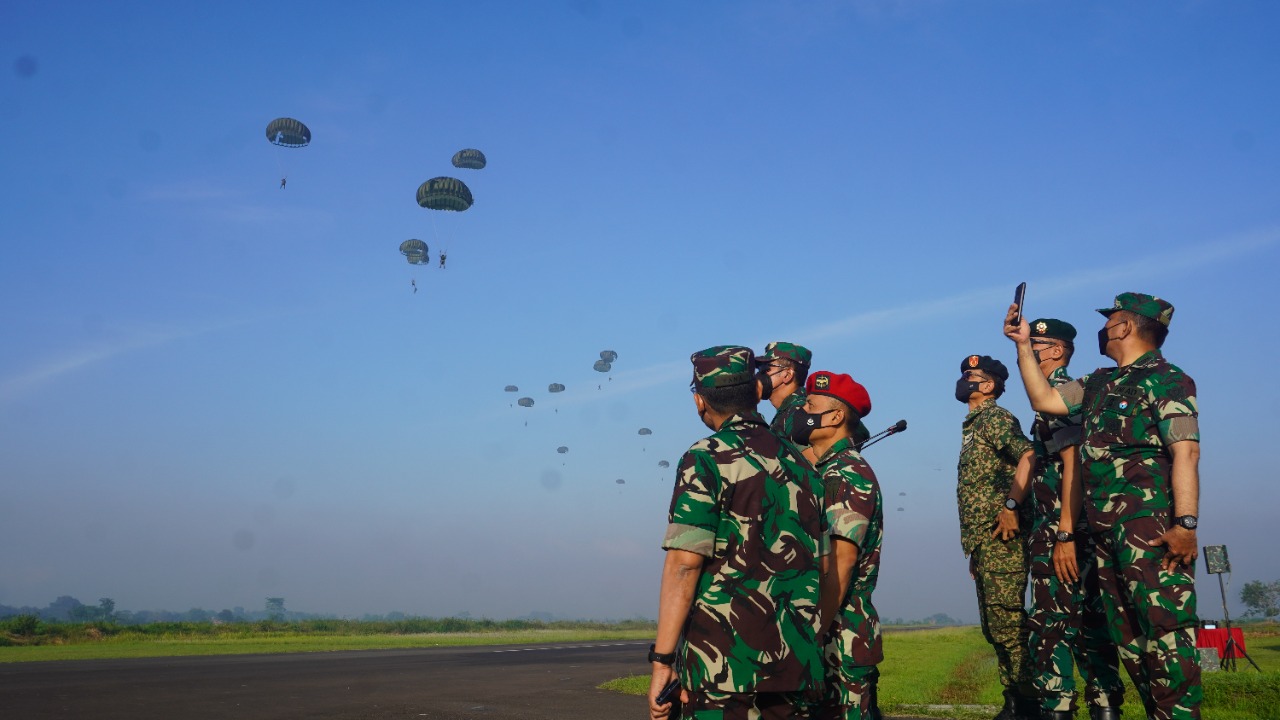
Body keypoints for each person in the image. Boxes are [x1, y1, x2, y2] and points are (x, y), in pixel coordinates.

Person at [1005, 293, 1201, 720]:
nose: (1104, 328)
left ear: (1125, 327)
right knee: (1128, 638)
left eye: (1110, 320)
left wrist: (1186, 523)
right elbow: (1045, 400)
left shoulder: (1169, 380)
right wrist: (1022, 346)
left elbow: (1185, 451)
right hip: (1102, 533)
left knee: (1165, 632)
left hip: (1149, 529)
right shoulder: (1097, 383)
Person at [649, 345, 826, 720]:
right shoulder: (804, 464)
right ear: (756, 391)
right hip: (797, 667)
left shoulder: (705, 458)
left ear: (700, 401)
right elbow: (822, 566)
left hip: (722, 669)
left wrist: (662, 659)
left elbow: (684, 564)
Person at [1020, 319, 1124, 720]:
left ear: (1057, 350)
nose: (1030, 350)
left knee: (1053, 624)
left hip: (1061, 529)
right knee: (1090, 622)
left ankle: (1059, 706)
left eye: (1037, 343)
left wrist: (1063, 533)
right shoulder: (1059, 393)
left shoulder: (1062, 394)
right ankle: (1105, 704)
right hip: (1074, 527)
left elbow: (1072, 463)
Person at [796, 371, 884, 720]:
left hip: (838, 640)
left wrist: (810, 636)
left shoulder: (845, 475)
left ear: (834, 417)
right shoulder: (825, 470)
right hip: (828, 635)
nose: (802, 411)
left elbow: (840, 564)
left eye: (810, 405)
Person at [955, 354, 1038, 720]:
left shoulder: (995, 418)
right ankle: (1014, 699)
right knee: (994, 624)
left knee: (1008, 622)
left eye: (971, 375)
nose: (964, 380)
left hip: (1005, 537)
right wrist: (976, 548)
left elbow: (1029, 455)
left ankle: (1030, 702)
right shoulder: (974, 425)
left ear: (988, 386)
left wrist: (1011, 505)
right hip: (986, 542)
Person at [757, 342, 871, 457]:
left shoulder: (797, 411)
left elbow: (816, 463)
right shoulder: (787, 411)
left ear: (787, 375)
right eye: (759, 369)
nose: (759, 375)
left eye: (766, 370)